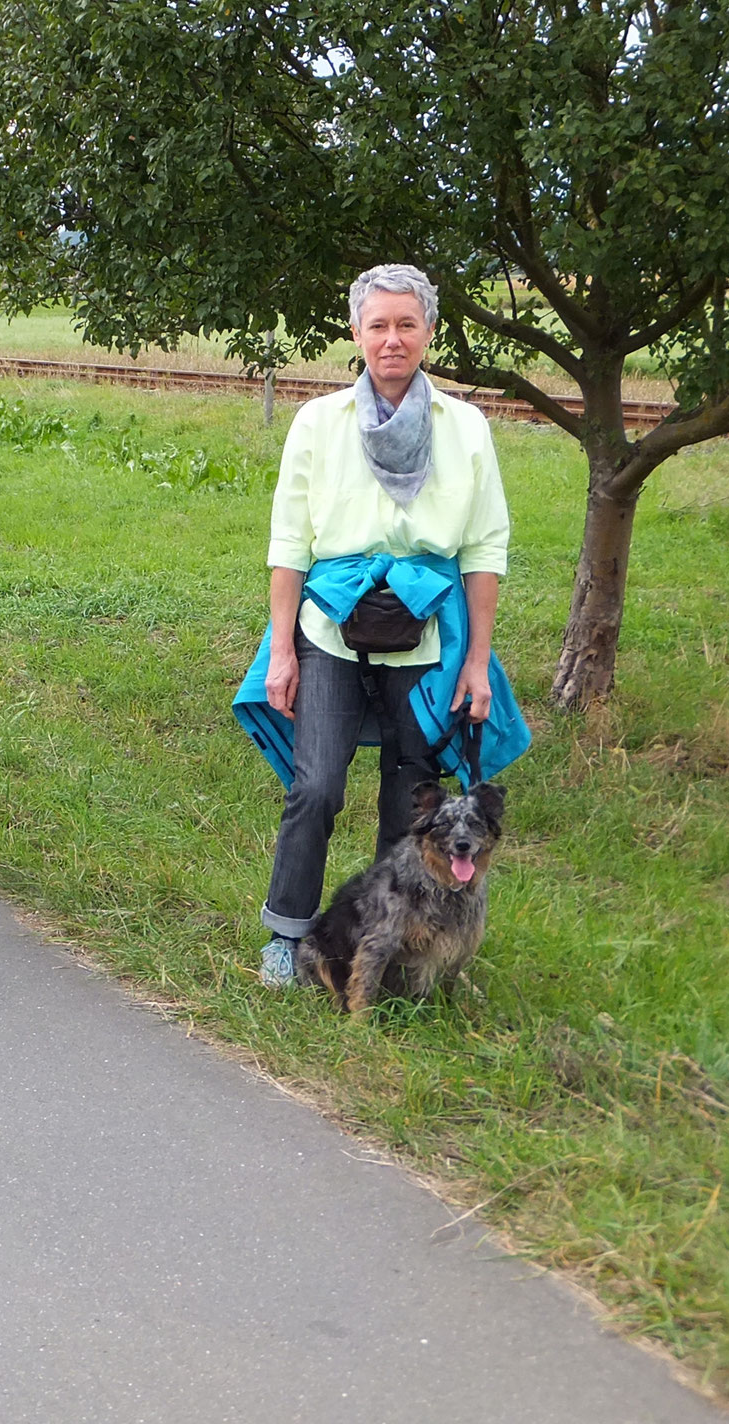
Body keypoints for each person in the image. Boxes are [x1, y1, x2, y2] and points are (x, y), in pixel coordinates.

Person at [231, 263, 529, 991]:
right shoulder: (318, 422)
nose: (392, 339)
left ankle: (397, 942)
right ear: (356, 333)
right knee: (317, 786)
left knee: (411, 797)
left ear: (428, 331)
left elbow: (485, 549)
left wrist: (478, 663)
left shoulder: (464, 427)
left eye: (406, 324)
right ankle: (287, 936)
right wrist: (281, 650)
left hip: (428, 635)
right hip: (330, 628)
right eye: (378, 325)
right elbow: (288, 544)